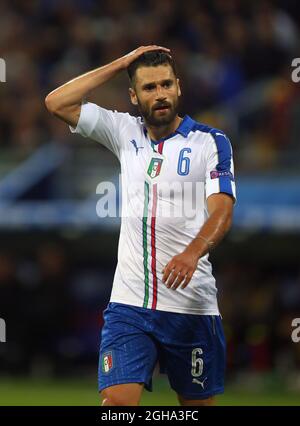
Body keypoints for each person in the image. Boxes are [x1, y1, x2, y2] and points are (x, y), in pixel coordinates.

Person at [45, 45, 236, 406]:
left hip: (191, 306)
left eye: (166, 84)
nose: (160, 94)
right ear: (133, 95)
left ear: (179, 87)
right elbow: (57, 102)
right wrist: (120, 64)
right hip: (129, 305)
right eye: (149, 87)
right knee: (117, 404)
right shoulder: (122, 131)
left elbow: (222, 212)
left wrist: (192, 254)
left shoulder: (211, 142)